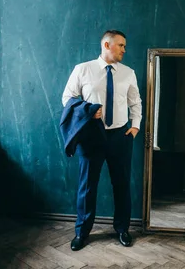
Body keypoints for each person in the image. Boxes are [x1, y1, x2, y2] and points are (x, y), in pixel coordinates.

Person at [61, 30, 142, 251]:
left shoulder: (128, 73)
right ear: (107, 45)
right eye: (121, 45)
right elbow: (67, 98)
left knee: (122, 184)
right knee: (87, 186)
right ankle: (82, 232)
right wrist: (87, 110)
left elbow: (135, 102)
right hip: (91, 137)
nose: (125, 50)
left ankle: (122, 229)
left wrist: (135, 127)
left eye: (125, 46)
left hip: (120, 136)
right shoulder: (83, 69)